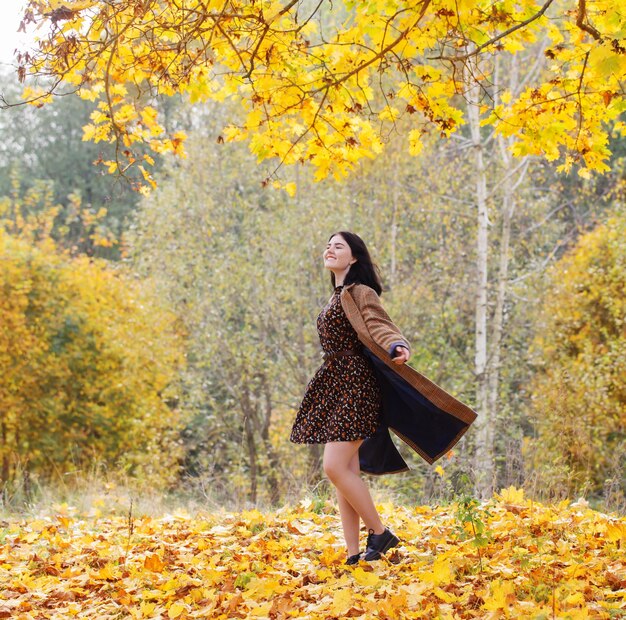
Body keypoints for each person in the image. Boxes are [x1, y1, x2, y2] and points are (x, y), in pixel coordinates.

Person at [290, 231, 478, 565]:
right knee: (347, 471)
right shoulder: (336, 297)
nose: (329, 250)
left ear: (354, 258)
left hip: (356, 385)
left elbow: (379, 323)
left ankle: (380, 532)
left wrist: (397, 345)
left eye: (339, 246)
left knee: (334, 466)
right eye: (327, 245)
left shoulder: (360, 292)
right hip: (336, 385)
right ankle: (354, 554)